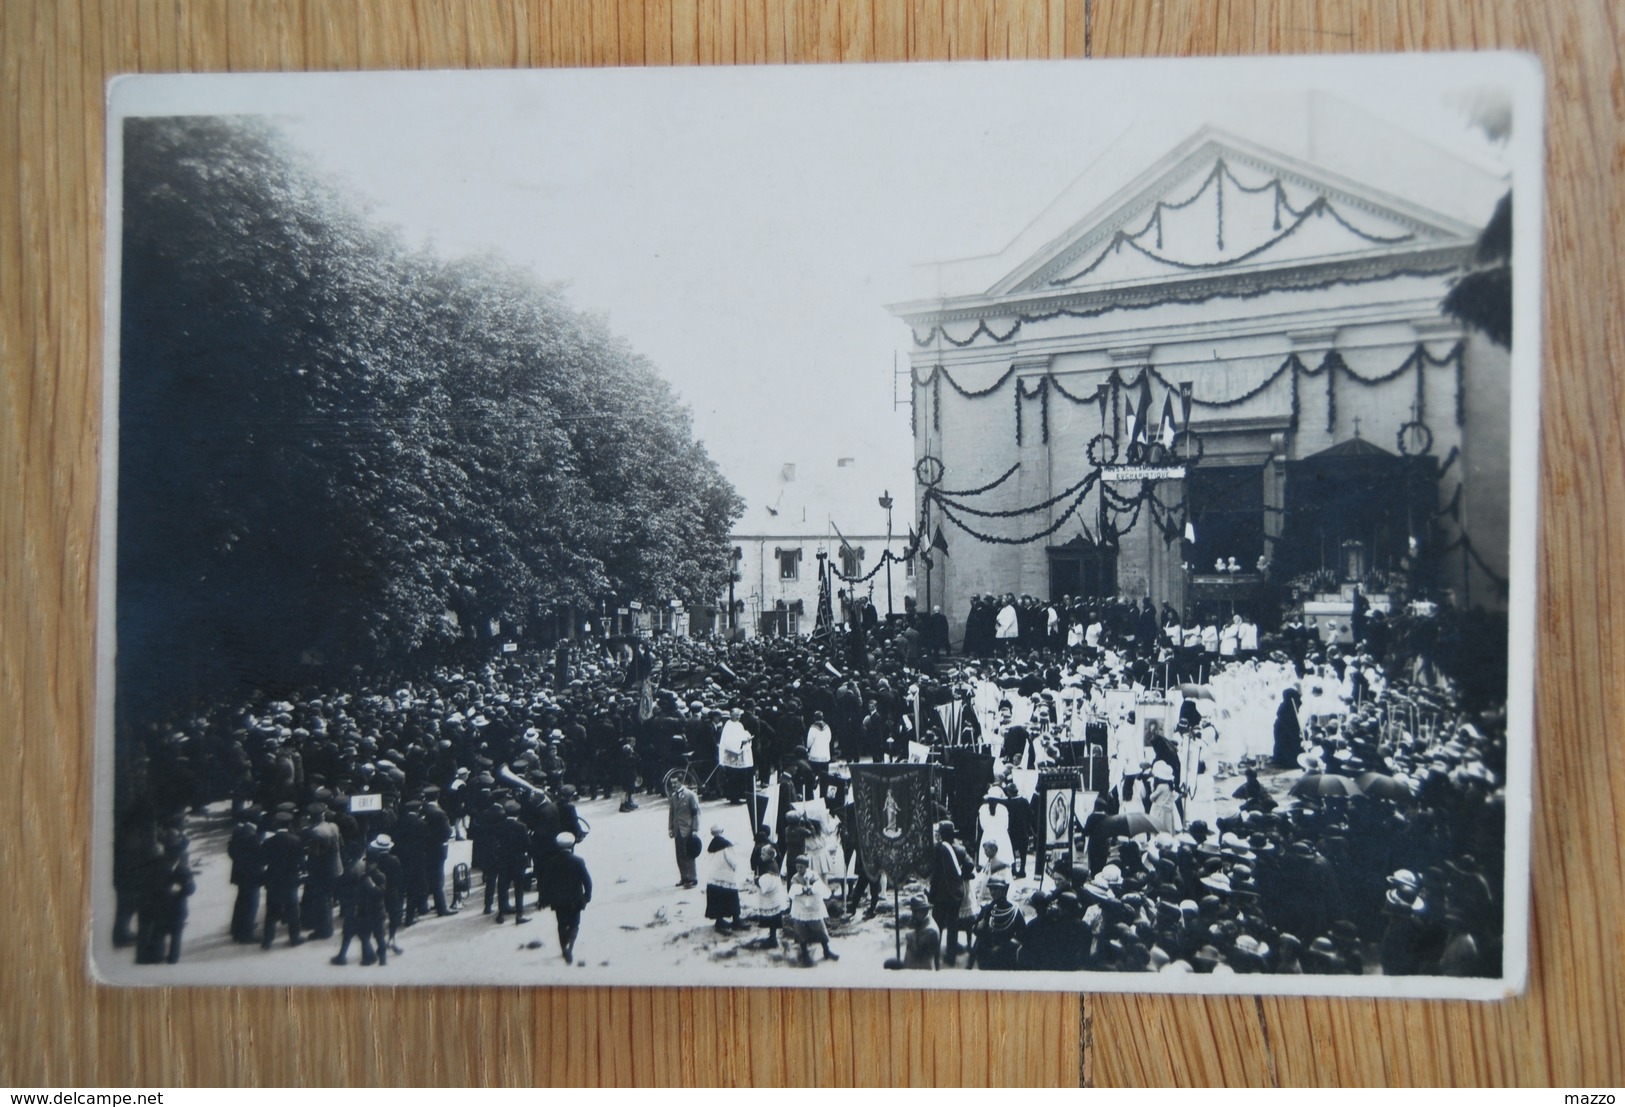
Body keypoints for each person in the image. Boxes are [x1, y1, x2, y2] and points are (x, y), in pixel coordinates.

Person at [537, 832, 592, 964]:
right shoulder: (578, 861)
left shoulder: (551, 862)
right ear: (572, 845)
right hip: (575, 900)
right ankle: (570, 946)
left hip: (558, 900)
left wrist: (543, 900)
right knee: (574, 924)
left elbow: (545, 884)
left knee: (561, 924)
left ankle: (563, 948)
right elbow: (587, 882)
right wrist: (587, 896)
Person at [928, 821, 968, 966]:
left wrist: (931, 893)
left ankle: (935, 954)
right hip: (955, 893)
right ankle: (951, 957)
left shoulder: (937, 849)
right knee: (953, 926)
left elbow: (935, 873)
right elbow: (969, 866)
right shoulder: (960, 850)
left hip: (940, 894)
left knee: (937, 925)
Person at [787, 855, 838, 966]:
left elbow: (819, 885)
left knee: (820, 928)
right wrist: (803, 889)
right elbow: (793, 889)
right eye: (797, 866)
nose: (799, 869)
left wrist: (812, 888)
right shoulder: (795, 877)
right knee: (801, 930)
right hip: (801, 907)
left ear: (806, 866)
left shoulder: (813, 874)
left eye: (801, 867)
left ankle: (826, 950)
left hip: (813, 907)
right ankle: (804, 953)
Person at [968, 873, 1024, 970]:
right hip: (987, 953)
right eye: (991, 889)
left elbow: (1022, 935)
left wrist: (1004, 947)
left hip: (1005, 955)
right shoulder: (987, 908)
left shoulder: (1013, 910)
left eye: (996, 889)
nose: (993, 892)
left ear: (1003, 890)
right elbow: (977, 930)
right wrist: (982, 922)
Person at [703, 824, 743, 932]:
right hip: (726, 874)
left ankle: (719, 921)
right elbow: (733, 861)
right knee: (732, 897)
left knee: (717, 899)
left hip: (713, 876)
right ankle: (736, 921)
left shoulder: (711, 847)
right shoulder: (726, 845)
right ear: (722, 831)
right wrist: (735, 869)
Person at [885, 895, 942, 970]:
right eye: (913, 911)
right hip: (913, 965)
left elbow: (918, 954)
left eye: (916, 912)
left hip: (921, 969)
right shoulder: (923, 921)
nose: (913, 914)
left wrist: (910, 938)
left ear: (924, 911)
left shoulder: (931, 931)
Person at [668, 778, 702, 889]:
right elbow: (671, 814)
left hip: (688, 829)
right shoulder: (673, 797)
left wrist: (695, 829)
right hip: (678, 830)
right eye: (671, 783)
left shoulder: (690, 795)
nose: (673, 785)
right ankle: (684, 877)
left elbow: (696, 813)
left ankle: (693, 878)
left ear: (681, 782)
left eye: (675, 783)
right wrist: (671, 828)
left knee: (689, 854)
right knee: (680, 855)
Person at [718, 708, 755, 805]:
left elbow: (741, 735)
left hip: (739, 756)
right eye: (736, 715)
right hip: (731, 755)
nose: (738, 717)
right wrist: (740, 742)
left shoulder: (739, 725)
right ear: (731, 715)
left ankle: (738, 796)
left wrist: (746, 738)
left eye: (739, 715)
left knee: (739, 777)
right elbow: (728, 741)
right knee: (733, 778)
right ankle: (733, 797)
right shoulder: (728, 725)